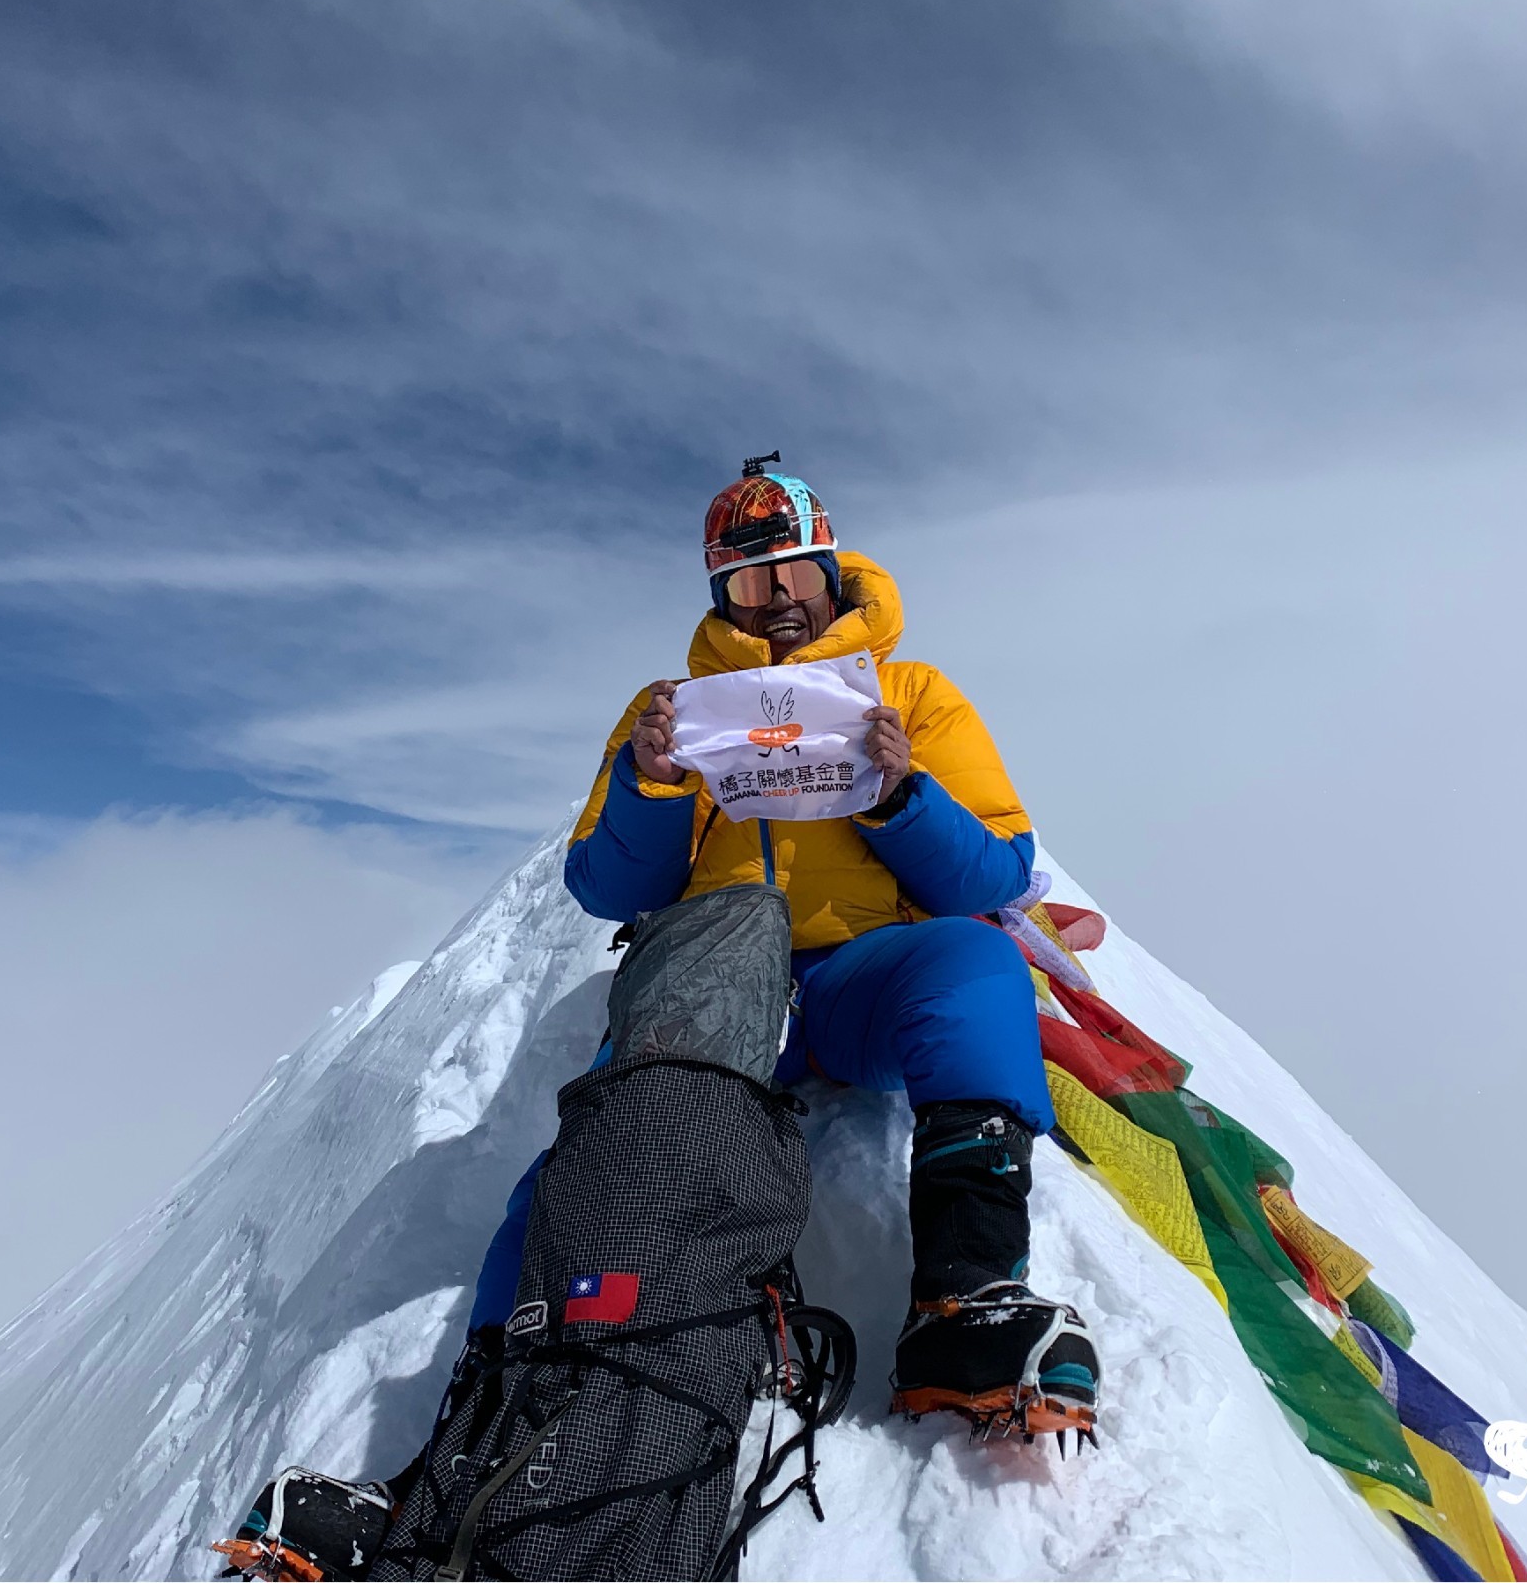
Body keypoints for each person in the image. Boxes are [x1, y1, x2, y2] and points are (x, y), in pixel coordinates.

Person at [469, 455, 1098, 1436]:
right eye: (748, 583)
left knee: (972, 964)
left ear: (832, 571)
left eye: (796, 574)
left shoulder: (911, 694)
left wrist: (898, 797)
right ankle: (503, 1365)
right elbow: (605, 886)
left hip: (857, 982)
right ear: (720, 593)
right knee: (599, 1133)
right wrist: (652, 782)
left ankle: (965, 1294)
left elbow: (993, 874)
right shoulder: (670, 712)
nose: (777, 602)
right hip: (715, 985)